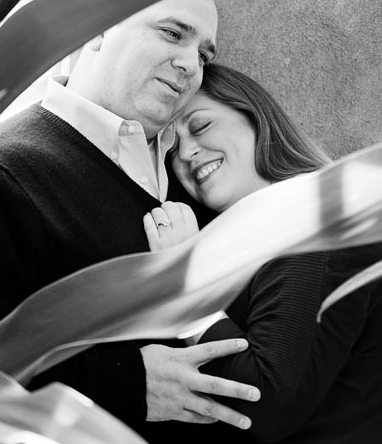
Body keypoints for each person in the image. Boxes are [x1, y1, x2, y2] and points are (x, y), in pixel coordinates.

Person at [0, 0, 263, 442]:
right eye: (172, 33)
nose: (190, 65)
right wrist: (128, 382)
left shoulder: (194, 175)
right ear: (97, 27)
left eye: (203, 53)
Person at [139, 63, 382, 443]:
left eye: (200, 126)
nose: (185, 152)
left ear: (255, 118)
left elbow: (265, 404)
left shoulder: (305, 220)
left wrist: (186, 286)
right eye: (169, 149)